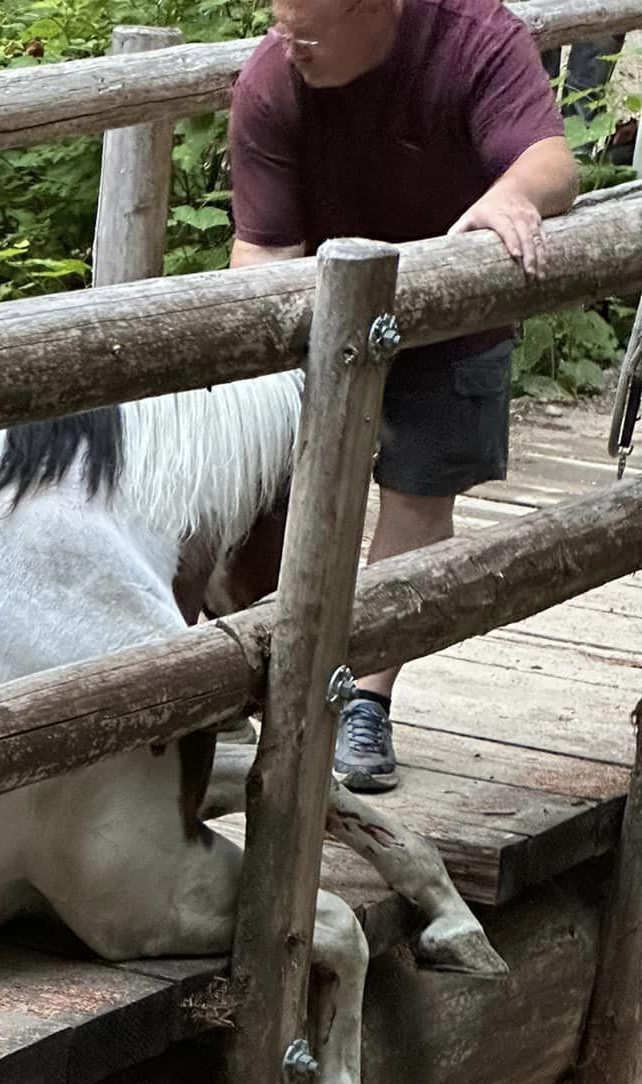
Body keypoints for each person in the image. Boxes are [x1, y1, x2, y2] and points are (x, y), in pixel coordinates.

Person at [228, 0, 579, 793]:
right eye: (279, 24)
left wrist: (510, 195)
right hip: (323, 317)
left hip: (453, 319)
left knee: (418, 496)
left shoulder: (474, 36)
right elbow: (262, 246)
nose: (290, 46)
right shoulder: (270, 82)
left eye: (306, 32)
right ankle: (264, 682)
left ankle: (365, 700)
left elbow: (551, 161)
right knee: (284, 494)